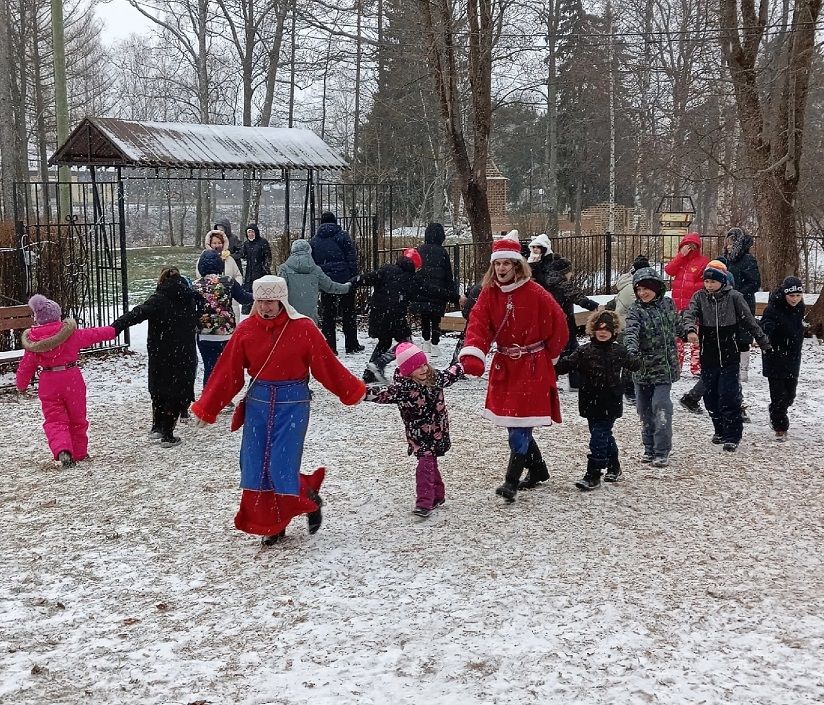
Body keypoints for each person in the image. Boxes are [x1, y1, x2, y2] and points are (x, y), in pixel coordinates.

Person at [190, 275, 366, 546]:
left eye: (270, 301)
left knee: (280, 465)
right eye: (260, 301)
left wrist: (351, 390)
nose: (265, 307)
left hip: (292, 404)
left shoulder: (304, 328)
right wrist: (207, 406)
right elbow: (228, 372)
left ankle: (306, 495)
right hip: (259, 403)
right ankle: (272, 524)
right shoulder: (246, 329)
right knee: (255, 467)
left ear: (282, 300)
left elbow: (325, 365)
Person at [458, 234, 568, 501]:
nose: (502, 269)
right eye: (498, 264)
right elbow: (478, 325)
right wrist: (475, 352)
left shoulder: (537, 293)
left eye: (507, 263)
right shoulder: (488, 293)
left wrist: (549, 358)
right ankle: (539, 470)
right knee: (515, 423)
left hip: (532, 366)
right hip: (505, 366)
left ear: (518, 265)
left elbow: (560, 325)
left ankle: (511, 481)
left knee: (520, 426)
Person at [364, 342, 465, 517]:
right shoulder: (402, 389)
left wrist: (465, 363)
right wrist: (359, 392)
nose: (423, 369)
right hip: (418, 434)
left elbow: (451, 374)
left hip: (437, 430)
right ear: (407, 370)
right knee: (426, 462)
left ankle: (436, 496)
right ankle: (426, 502)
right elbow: (381, 393)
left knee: (429, 462)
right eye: (417, 367)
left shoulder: (435, 378)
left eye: (424, 364)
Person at [15, 294, 117, 467]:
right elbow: (93, 334)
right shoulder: (70, 334)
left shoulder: (34, 342)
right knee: (78, 418)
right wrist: (113, 330)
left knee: (55, 420)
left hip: (48, 382)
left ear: (38, 319)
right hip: (72, 379)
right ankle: (80, 453)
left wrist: (21, 384)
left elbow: (25, 367)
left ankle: (63, 450)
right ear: (57, 315)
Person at [682, 261, 771, 452]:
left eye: (713, 281)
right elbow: (689, 314)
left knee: (729, 396)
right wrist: (690, 330)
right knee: (710, 397)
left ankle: (733, 435)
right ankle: (719, 430)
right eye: (706, 281)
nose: (709, 285)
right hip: (709, 354)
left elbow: (749, 321)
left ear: (722, 282)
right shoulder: (699, 297)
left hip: (730, 354)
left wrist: (763, 341)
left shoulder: (734, 297)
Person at [112, 267, 204, 448]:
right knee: (177, 391)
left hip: (159, 351)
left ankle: (157, 427)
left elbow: (138, 313)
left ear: (161, 282)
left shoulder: (158, 299)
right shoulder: (190, 297)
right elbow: (200, 313)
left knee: (159, 388)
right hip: (184, 351)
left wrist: (116, 326)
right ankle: (168, 433)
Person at [555, 310, 640, 490]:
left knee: (599, 436)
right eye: (600, 328)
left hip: (611, 401)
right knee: (603, 435)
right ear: (592, 329)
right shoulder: (584, 351)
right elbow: (565, 365)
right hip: (589, 400)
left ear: (614, 332)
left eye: (607, 329)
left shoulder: (619, 350)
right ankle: (614, 465)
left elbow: (634, 363)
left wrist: (643, 353)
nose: (603, 332)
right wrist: (550, 362)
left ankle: (593, 473)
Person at [623, 267, 681, 467]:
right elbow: (630, 332)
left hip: (664, 369)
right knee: (644, 410)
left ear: (657, 288)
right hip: (642, 369)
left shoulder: (668, 305)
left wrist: (689, 331)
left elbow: (678, 324)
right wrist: (631, 352)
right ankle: (648, 447)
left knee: (661, 406)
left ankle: (661, 450)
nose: (642, 293)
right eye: (639, 290)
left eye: (646, 289)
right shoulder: (635, 310)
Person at [351, 248, 421, 384]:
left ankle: (369, 373)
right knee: (406, 343)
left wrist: (351, 282)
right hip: (395, 317)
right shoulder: (411, 278)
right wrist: (453, 296)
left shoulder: (387, 270)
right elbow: (428, 291)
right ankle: (380, 363)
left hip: (378, 314)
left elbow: (367, 278)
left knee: (384, 342)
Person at [192, 249, 254, 390]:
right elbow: (244, 298)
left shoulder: (195, 285)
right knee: (225, 366)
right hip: (226, 332)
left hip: (204, 333)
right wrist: (257, 294)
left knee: (209, 366)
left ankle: (208, 395)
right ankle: (224, 395)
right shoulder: (228, 282)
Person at [665, 232, 710, 412]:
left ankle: (696, 367)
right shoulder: (680, 260)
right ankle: (677, 365)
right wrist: (680, 256)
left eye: (692, 245)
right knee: (677, 339)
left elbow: (705, 283)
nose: (689, 248)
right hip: (677, 305)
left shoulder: (702, 262)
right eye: (687, 244)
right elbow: (669, 270)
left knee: (695, 338)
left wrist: (693, 289)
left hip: (693, 306)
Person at [544, 254, 600, 390]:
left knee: (554, 352)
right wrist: (596, 307)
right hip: (565, 324)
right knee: (573, 352)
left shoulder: (546, 282)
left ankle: (551, 380)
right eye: (570, 271)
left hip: (549, 324)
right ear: (565, 272)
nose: (572, 274)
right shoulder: (563, 284)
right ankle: (574, 383)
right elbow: (579, 298)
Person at [310, 211, 363, 354]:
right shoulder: (343, 235)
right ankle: (351, 344)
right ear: (335, 221)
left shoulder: (315, 240)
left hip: (326, 280)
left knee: (328, 314)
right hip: (344, 278)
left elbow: (313, 262)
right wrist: (353, 277)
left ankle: (330, 346)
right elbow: (351, 257)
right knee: (349, 312)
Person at [760, 276, 805, 441]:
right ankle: (780, 426)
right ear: (785, 294)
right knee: (778, 394)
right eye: (791, 296)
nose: (795, 299)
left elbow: (798, 326)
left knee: (790, 394)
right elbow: (766, 324)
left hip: (793, 357)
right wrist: (765, 334)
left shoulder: (800, 307)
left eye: (798, 295)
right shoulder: (773, 308)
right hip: (775, 355)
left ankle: (776, 411)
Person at [408, 222, 460, 357]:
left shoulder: (420, 250)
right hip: (438, 292)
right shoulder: (442, 253)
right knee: (436, 319)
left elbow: (414, 271)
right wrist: (452, 293)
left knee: (425, 317)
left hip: (422, 290)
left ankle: (426, 342)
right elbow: (448, 275)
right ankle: (435, 344)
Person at [605, 254, 649, 405]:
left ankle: (628, 388)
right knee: (629, 360)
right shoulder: (633, 288)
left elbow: (614, 302)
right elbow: (643, 307)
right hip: (627, 328)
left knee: (626, 359)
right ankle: (628, 390)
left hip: (624, 326)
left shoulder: (629, 284)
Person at [721, 227, 761, 383]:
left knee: (743, 337)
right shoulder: (725, 259)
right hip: (726, 302)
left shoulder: (748, 260)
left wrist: (738, 294)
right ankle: (730, 366)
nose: (729, 245)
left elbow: (755, 282)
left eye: (732, 243)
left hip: (743, 302)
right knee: (728, 335)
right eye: (728, 242)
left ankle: (743, 369)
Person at [277, 239, 351, 323]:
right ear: (309, 251)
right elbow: (330, 286)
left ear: (292, 251)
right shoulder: (316, 270)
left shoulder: (284, 269)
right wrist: (347, 287)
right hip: (310, 318)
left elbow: (279, 291)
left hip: (290, 316)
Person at [197, 229, 243, 321]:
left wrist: (233, 287)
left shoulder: (229, 259)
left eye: (219, 242)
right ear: (209, 244)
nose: (217, 245)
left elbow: (238, 275)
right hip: (209, 298)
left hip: (228, 300)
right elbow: (199, 276)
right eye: (214, 243)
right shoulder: (203, 259)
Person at [240, 223, 272, 313]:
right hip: (249, 272)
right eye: (249, 232)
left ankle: (262, 309)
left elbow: (268, 256)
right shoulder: (246, 244)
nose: (250, 234)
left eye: (252, 232)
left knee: (261, 292)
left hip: (261, 272)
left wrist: (265, 266)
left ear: (256, 232)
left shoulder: (263, 242)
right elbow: (242, 255)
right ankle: (247, 311)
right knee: (248, 292)